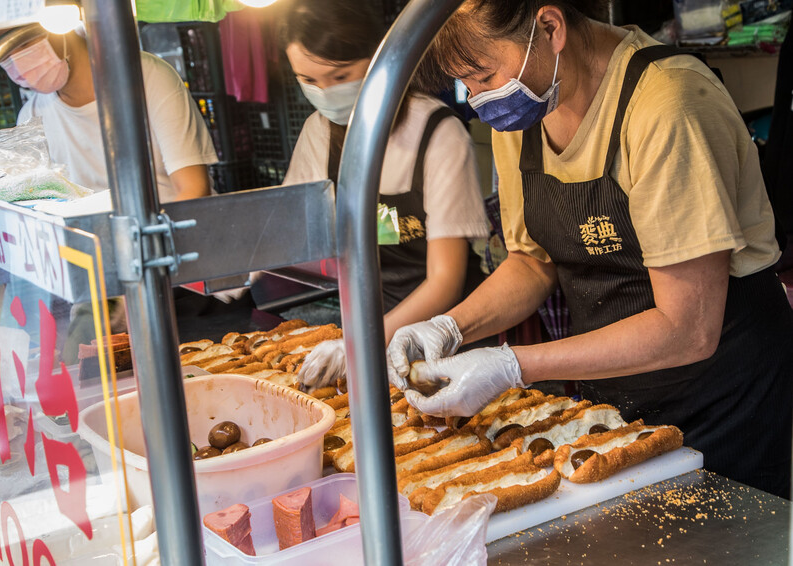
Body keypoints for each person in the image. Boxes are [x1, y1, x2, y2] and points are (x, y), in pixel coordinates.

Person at [387, 0, 793, 498]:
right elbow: (531, 263)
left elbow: (687, 328)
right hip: (617, 404)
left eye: (485, 76)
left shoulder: (668, 105)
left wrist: (514, 365)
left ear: (550, 27)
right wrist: (451, 326)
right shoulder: (526, 112)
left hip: (727, 400)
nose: (478, 100)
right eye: (465, 86)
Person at [281, 0, 491, 390]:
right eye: (308, 81)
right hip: (367, 326)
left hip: (445, 338)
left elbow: (444, 280)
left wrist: (359, 344)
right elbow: (292, 233)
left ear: (379, 59)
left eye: (340, 75)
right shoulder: (318, 132)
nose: (325, 93)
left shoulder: (438, 133)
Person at [0, 26, 218, 202]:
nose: (18, 62)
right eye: (6, 54)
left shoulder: (148, 76)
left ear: (60, 27)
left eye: (25, 44)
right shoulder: (31, 117)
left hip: (174, 238)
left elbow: (193, 189)